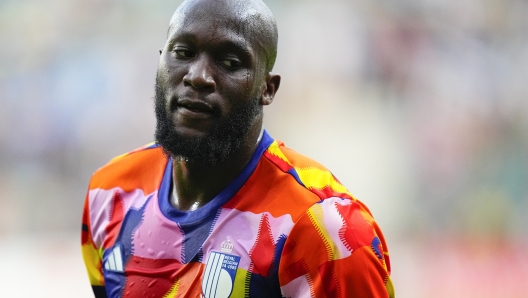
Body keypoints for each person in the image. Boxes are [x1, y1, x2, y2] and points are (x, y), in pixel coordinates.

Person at [81, 0, 395, 297]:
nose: (198, 76)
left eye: (230, 62)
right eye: (183, 52)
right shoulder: (110, 193)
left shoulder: (326, 228)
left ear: (267, 89)